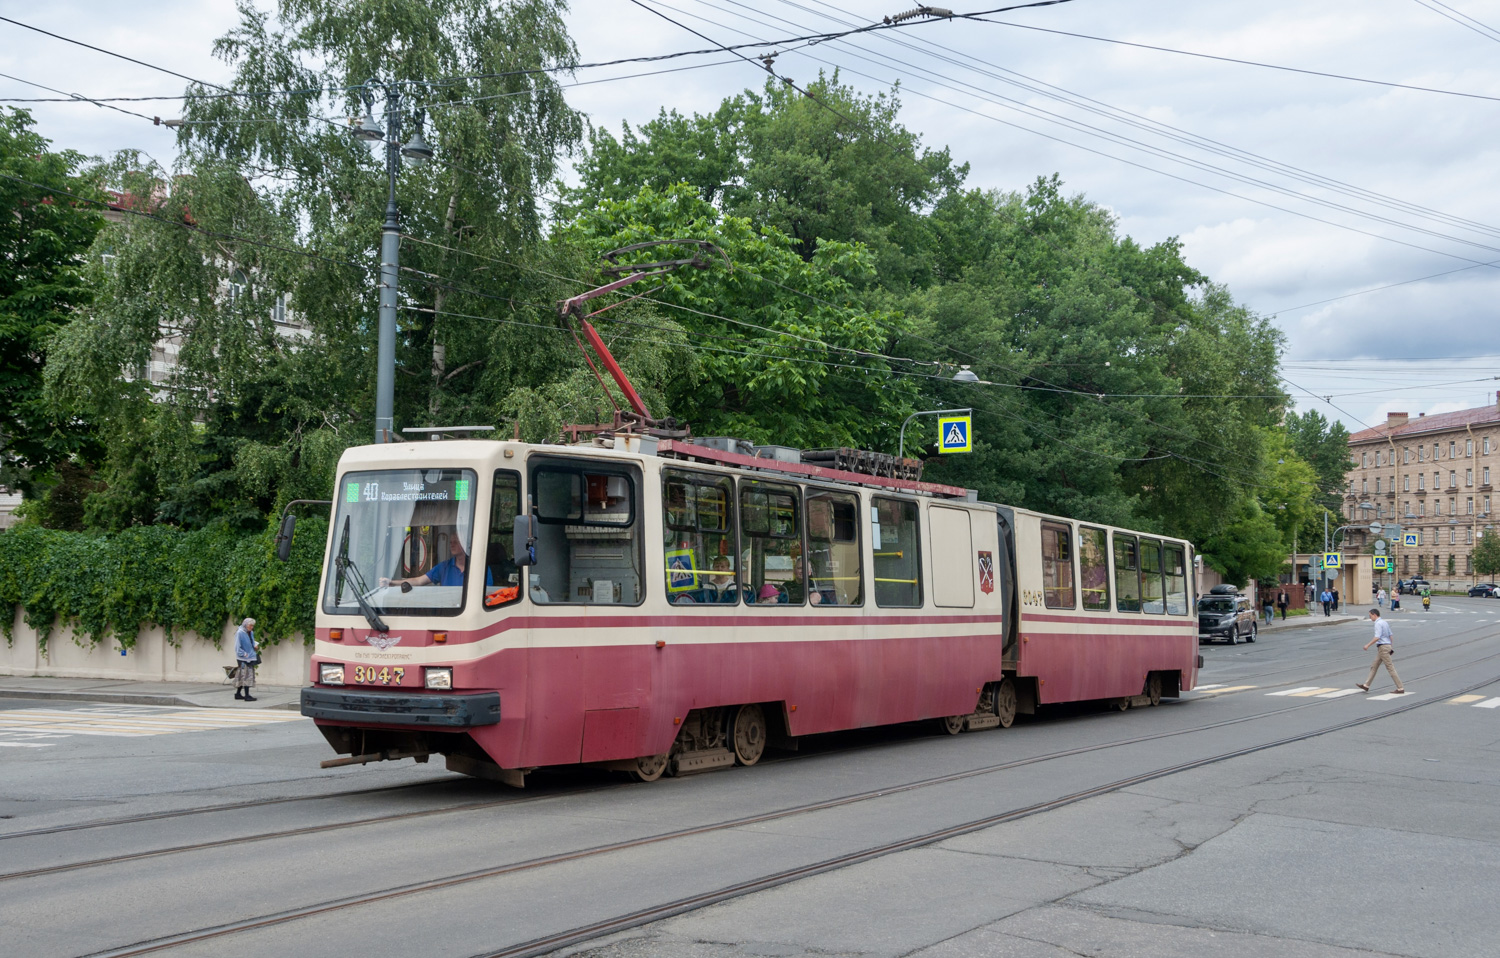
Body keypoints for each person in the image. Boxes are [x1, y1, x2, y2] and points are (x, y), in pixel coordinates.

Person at [381, 533, 490, 590]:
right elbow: (419, 581)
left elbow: (488, 593)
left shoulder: (480, 567)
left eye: (456, 542)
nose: (452, 544)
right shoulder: (444, 567)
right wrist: (392, 582)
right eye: (451, 542)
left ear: (465, 544)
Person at [1357, 609, 1405, 694]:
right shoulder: (1384, 622)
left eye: (1370, 615)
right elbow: (1391, 635)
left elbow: (1377, 637)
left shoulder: (1378, 624)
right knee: (1374, 666)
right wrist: (1390, 647)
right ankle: (1366, 685)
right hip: (1385, 647)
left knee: (1390, 668)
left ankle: (1400, 688)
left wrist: (1367, 645)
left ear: (1374, 615)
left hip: (1383, 647)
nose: (1370, 617)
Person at [234, 617, 258, 703]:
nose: (252, 627)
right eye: (250, 625)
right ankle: (247, 696)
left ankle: (238, 694)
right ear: (245, 625)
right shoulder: (240, 633)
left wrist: (254, 645)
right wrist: (244, 654)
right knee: (246, 675)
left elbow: (250, 642)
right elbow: (237, 647)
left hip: (249, 657)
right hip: (243, 658)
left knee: (243, 675)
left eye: (252, 626)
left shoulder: (250, 632)